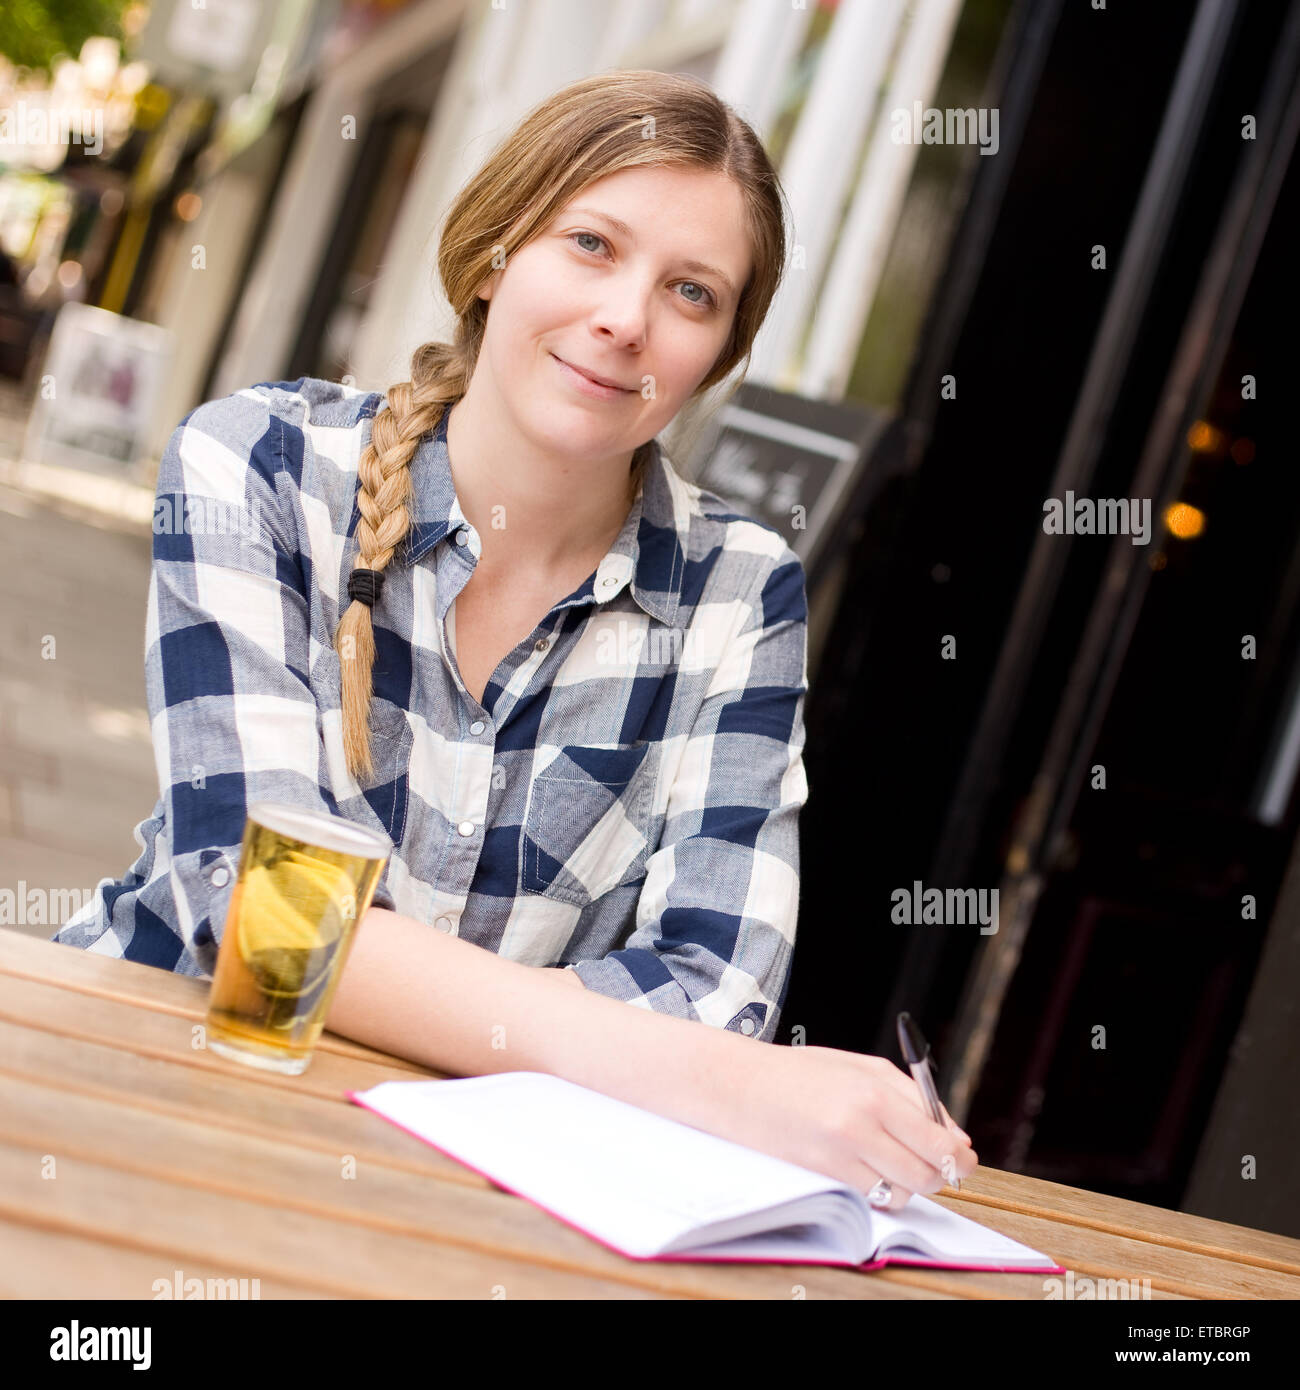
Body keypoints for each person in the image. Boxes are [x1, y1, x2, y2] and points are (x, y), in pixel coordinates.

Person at [53, 70, 975, 1209]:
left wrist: (696, 1058)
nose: (626, 318)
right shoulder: (258, 466)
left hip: (469, 1183)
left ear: (717, 354)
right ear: (495, 253)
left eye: (692, 293)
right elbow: (258, 913)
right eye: (590, 243)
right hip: (143, 1083)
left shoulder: (741, 589)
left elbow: (715, 982)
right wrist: (722, 1084)